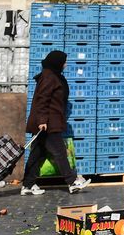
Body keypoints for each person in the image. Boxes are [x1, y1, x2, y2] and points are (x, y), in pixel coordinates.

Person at [21, 50, 89, 195]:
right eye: (64, 62)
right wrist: (42, 120)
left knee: (37, 154)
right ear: (57, 62)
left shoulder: (52, 76)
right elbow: (42, 100)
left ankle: (27, 185)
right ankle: (72, 182)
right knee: (59, 152)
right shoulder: (49, 77)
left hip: (49, 121)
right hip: (48, 124)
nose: (65, 64)